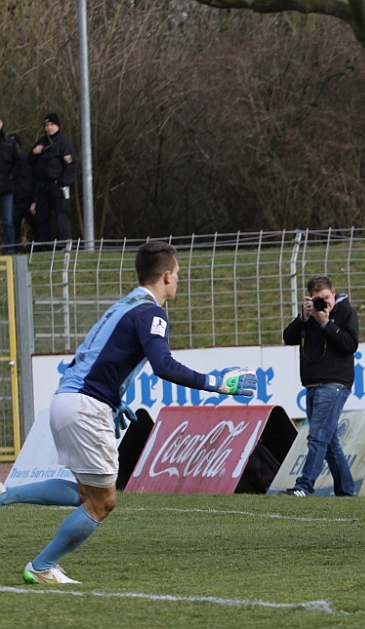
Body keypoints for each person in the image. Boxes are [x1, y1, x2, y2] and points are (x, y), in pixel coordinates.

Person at [0, 241, 258, 585]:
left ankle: (6, 494)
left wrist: (114, 398)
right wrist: (218, 384)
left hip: (68, 399)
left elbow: (94, 354)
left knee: (84, 492)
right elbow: (163, 365)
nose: (178, 280)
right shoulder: (151, 313)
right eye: (177, 274)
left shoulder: (123, 306)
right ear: (166, 277)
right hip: (86, 406)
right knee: (103, 502)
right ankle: (42, 566)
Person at [281, 275, 359, 497]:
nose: (324, 303)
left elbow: (350, 344)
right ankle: (346, 491)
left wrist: (326, 323)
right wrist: (304, 317)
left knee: (317, 436)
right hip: (312, 383)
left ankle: (304, 486)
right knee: (329, 441)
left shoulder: (345, 312)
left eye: (326, 297)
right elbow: (288, 337)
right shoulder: (309, 316)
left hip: (334, 383)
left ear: (333, 293)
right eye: (318, 299)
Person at [28, 113, 77, 250]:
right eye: (47, 125)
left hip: (58, 185)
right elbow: (30, 163)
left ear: (58, 126)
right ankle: (43, 248)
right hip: (42, 186)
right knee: (42, 218)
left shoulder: (64, 143)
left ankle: (64, 246)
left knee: (61, 215)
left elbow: (71, 165)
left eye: (52, 125)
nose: (49, 127)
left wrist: (63, 183)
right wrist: (34, 153)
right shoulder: (40, 142)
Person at [0, 114, 21, 254]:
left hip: (7, 190)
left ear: (1, 123)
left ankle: (10, 251)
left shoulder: (10, 143)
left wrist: (11, 177)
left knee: (8, 221)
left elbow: (18, 164)